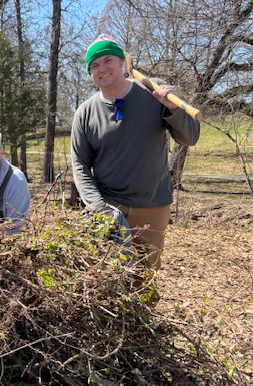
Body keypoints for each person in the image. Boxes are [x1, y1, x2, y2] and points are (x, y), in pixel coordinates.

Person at [71, 34, 200, 270]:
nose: (102, 69)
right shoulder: (85, 112)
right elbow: (80, 166)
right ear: (90, 74)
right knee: (105, 281)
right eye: (94, 65)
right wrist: (98, 207)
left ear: (122, 62)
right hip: (109, 207)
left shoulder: (154, 93)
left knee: (143, 281)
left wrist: (174, 109)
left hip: (152, 208)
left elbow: (189, 138)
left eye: (107, 60)